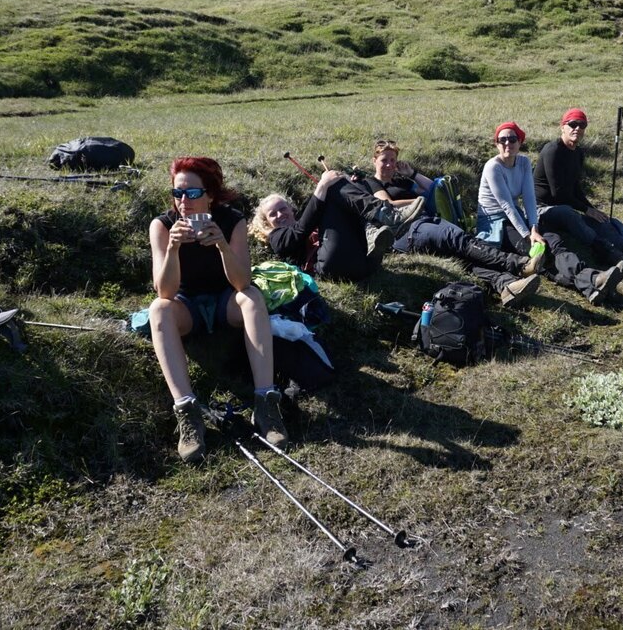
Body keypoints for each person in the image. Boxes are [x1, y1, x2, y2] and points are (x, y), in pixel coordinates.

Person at [148, 156, 288, 463]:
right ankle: (187, 410)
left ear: (210, 194)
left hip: (226, 300)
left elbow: (241, 283)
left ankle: (266, 403)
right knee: (158, 309)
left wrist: (223, 245)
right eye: (178, 193)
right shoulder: (162, 225)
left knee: (252, 297)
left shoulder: (231, 220)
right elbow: (166, 291)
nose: (184, 201)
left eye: (193, 193)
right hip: (186, 305)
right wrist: (173, 248)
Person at [359, 139, 546, 308]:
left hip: (426, 224)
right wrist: (418, 200)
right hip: (406, 231)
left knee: (461, 259)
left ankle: (506, 285)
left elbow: (434, 188)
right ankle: (518, 264)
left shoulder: (402, 181)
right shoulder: (371, 183)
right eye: (384, 160)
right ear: (374, 160)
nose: (389, 165)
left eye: (393, 160)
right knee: (457, 238)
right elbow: (388, 204)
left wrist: (412, 173)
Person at [478, 122, 623, 305]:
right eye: (502, 140)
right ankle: (590, 283)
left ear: (520, 141)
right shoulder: (493, 167)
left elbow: (529, 199)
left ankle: (592, 282)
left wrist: (534, 227)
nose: (507, 143)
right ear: (496, 144)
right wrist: (528, 234)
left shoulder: (523, 162)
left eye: (512, 138)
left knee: (552, 240)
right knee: (535, 251)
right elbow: (506, 205)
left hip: (517, 215)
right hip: (495, 221)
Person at [534, 108, 623, 274]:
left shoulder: (578, 153)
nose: (577, 128)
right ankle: (608, 253)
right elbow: (557, 193)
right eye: (572, 124)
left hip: (565, 205)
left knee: (605, 221)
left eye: (582, 125)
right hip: (543, 208)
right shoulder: (553, 150)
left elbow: (575, 188)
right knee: (571, 214)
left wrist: (592, 210)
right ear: (562, 127)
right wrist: (586, 209)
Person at [249, 169, 424, 281]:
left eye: (282, 208)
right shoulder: (276, 237)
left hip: (365, 264)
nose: (280, 215)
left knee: (337, 191)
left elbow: (312, 215)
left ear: (291, 209)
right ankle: (384, 216)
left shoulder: (307, 219)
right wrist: (324, 185)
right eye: (273, 214)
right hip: (332, 267)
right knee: (331, 188)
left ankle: (374, 229)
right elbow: (299, 232)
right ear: (266, 222)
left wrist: (349, 183)